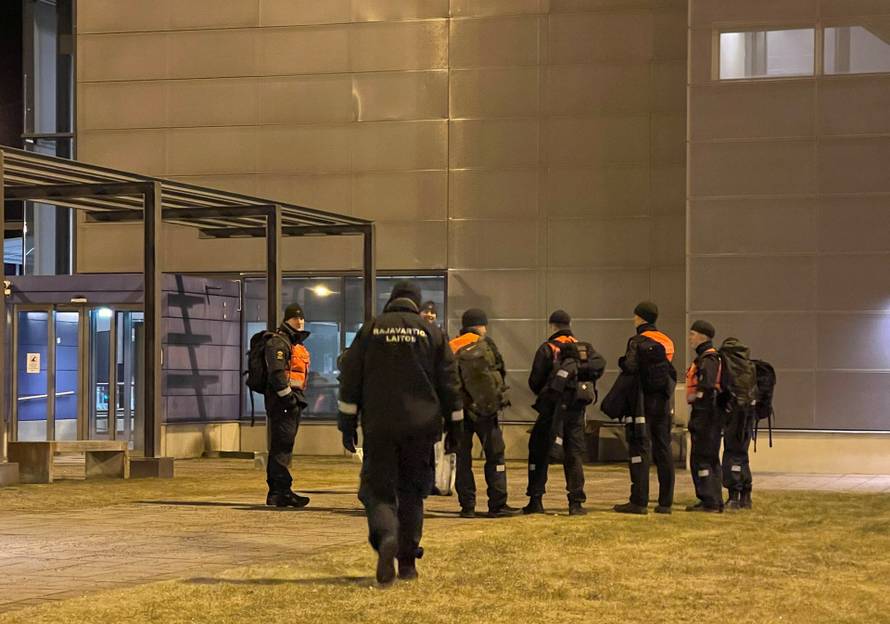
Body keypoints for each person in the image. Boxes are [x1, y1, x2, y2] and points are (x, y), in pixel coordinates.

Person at [338, 281, 462, 585]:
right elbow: (450, 383)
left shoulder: (371, 330)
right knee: (412, 494)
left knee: (378, 491)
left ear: (392, 301)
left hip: (380, 426)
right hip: (422, 427)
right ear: (417, 304)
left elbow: (350, 377)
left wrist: (347, 424)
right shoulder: (432, 333)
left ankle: (386, 536)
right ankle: (406, 562)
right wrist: (456, 427)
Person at [524, 310, 605, 516]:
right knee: (574, 454)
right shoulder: (584, 349)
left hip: (552, 408)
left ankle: (536, 500)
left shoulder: (547, 348)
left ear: (552, 326)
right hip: (577, 410)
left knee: (539, 451)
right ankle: (575, 502)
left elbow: (535, 381)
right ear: (570, 324)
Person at [449, 308, 518, 519]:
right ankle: (497, 504)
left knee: (463, 459)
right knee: (495, 455)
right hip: (486, 411)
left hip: (460, 412)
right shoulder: (487, 344)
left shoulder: (451, 346)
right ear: (480, 326)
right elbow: (500, 370)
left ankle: (467, 506)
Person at [613, 302, 677, 515]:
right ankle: (665, 502)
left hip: (641, 402)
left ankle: (639, 501)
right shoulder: (667, 341)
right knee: (663, 448)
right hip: (663, 401)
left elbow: (631, 367)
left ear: (640, 318)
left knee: (640, 447)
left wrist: (621, 362)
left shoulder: (636, 340)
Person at [264, 303, 312, 508]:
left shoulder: (293, 343)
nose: (299, 321)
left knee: (284, 446)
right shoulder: (279, 342)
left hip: (292, 401)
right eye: (295, 318)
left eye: (301, 318)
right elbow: (277, 373)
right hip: (284, 402)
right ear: (287, 320)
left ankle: (279, 491)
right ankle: (279, 491)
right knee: (281, 447)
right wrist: (288, 399)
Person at [685, 320, 724, 513]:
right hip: (711, 415)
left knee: (702, 457)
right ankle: (713, 498)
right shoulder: (708, 357)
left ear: (703, 337)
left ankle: (709, 500)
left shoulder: (708, 359)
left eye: (692, 334)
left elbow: (707, 386)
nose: (690, 338)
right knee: (709, 457)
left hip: (706, 415)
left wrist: (699, 407)